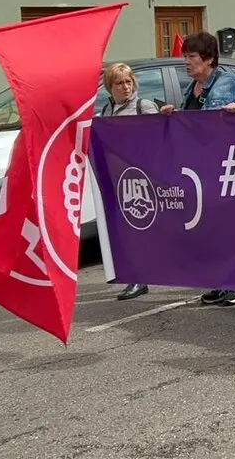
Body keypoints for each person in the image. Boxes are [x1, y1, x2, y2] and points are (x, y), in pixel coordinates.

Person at [160, 32, 235, 306]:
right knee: (210, 229)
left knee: (229, 227)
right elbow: (194, 126)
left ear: (209, 58)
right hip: (202, 170)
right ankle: (219, 280)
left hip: (227, 168)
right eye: (185, 57)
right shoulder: (194, 89)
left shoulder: (229, 83)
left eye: (191, 57)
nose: (186, 63)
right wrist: (174, 116)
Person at [100, 63, 158, 301]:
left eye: (128, 82)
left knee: (141, 231)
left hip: (144, 180)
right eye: (119, 83)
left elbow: (161, 138)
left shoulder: (143, 106)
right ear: (109, 87)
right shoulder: (106, 111)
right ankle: (136, 277)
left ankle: (141, 277)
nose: (125, 87)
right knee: (126, 232)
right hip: (119, 179)